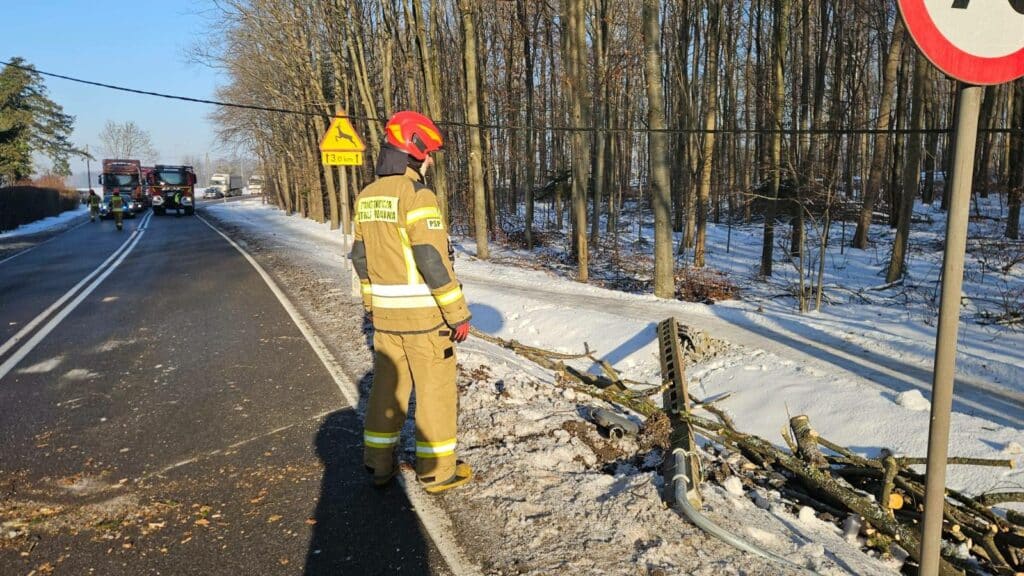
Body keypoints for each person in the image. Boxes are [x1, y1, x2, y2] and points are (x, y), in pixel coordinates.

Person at [352, 110, 473, 494]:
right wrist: (457, 313)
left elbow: (359, 258)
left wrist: (372, 304)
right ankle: (437, 473)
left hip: (386, 320)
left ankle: (378, 465)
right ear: (414, 151)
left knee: (387, 391)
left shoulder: (367, 196)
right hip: (424, 321)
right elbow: (431, 260)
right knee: (435, 395)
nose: (432, 161)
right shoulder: (418, 195)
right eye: (429, 153)